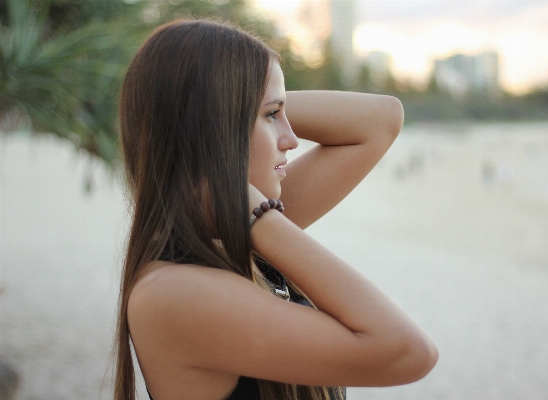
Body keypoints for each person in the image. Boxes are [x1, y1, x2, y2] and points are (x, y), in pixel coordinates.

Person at [115, 19, 438, 400]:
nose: (292, 138)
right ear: (218, 127)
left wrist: (256, 100)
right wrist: (258, 209)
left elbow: (381, 119)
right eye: (272, 116)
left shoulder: (226, 232)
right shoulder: (171, 291)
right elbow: (406, 352)